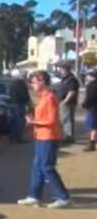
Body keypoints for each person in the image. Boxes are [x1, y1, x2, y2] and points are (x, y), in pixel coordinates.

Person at [17, 70, 72, 208]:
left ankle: (63, 197)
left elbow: (51, 120)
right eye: (31, 83)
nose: (32, 85)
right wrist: (32, 119)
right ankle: (34, 196)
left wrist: (34, 121)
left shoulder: (50, 98)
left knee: (47, 167)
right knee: (37, 166)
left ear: (42, 81)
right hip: (40, 136)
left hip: (49, 136)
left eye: (34, 82)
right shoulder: (40, 98)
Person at [54, 61, 79, 144]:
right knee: (64, 119)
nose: (60, 70)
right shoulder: (64, 78)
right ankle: (67, 136)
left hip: (67, 102)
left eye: (62, 68)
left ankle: (69, 137)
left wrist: (65, 101)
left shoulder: (71, 79)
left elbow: (72, 92)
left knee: (66, 120)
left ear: (67, 69)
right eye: (60, 68)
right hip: (63, 101)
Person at [7, 68, 31, 143]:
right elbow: (24, 94)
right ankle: (18, 138)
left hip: (12, 103)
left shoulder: (11, 82)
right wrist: (28, 101)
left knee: (13, 121)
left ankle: (12, 137)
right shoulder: (20, 83)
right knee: (19, 121)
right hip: (19, 104)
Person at [82, 69, 97, 151]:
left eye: (87, 75)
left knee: (93, 126)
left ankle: (92, 143)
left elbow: (91, 97)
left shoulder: (92, 85)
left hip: (93, 107)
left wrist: (85, 104)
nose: (86, 77)